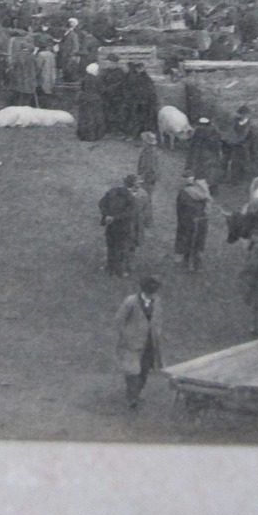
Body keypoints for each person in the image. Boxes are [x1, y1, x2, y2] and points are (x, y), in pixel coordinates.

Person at [114, 275, 164, 410]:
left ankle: (137, 392)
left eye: (154, 291)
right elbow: (119, 319)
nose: (151, 294)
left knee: (144, 370)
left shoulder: (157, 301)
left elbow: (158, 319)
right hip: (132, 343)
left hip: (149, 343)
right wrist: (125, 336)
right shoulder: (131, 301)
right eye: (149, 291)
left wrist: (156, 334)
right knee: (132, 371)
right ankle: (132, 397)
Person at [98, 179, 138, 277]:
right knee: (121, 249)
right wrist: (115, 218)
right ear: (133, 186)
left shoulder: (112, 191)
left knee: (110, 246)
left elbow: (101, 203)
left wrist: (107, 215)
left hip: (110, 225)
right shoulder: (131, 197)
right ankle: (120, 271)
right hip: (123, 227)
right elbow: (129, 213)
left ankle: (109, 267)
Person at [174, 175, 212, 271]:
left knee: (188, 240)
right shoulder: (204, 192)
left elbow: (180, 209)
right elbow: (207, 207)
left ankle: (186, 262)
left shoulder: (184, 192)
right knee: (199, 242)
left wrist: (181, 220)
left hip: (188, 221)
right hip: (202, 221)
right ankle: (197, 265)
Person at [185, 116, 225, 188]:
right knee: (210, 169)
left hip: (201, 153)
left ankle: (200, 184)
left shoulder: (198, 130)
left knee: (198, 168)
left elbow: (193, 143)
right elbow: (218, 143)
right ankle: (210, 185)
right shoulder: (213, 131)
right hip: (208, 154)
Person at [77, 62, 106, 141]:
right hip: (95, 100)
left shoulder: (84, 78)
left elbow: (82, 89)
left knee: (85, 117)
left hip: (85, 100)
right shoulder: (97, 79)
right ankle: (93, 136)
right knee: (94, 117)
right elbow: (102, 90)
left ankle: (83, 135)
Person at [125, 173, 151, 255]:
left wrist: (147, 221)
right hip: (125, 220)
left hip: (137, 221)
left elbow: (147, 209)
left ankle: (131, 256)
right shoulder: (124, 192)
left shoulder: (143, 194)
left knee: (134, 239)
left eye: (140, 183)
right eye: (137, 183)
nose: (139, 185)